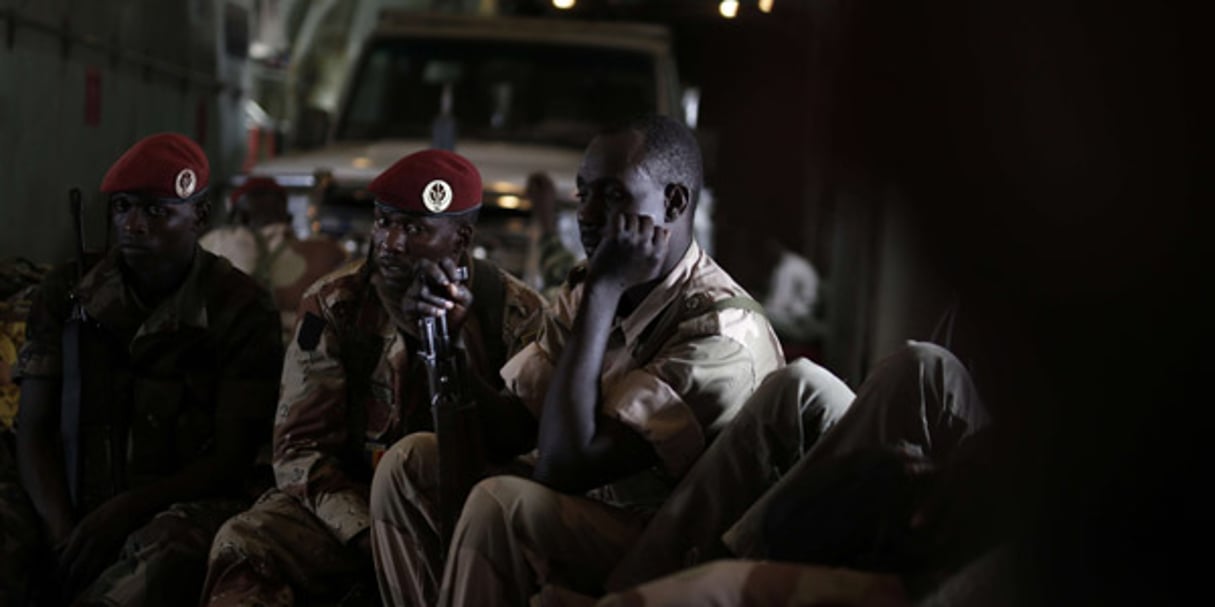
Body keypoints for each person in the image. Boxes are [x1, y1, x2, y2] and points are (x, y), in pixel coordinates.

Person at [406, 114, 787, 606]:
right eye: (583, 192)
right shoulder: (596, 283)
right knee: (413, 461)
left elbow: (564, 467)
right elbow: (512, 427)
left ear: (673, 203)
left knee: (500, 505)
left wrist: (605, 292)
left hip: (678, 552)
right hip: (602, 517)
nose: (585, 214)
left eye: (611, 196)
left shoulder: (722, 332)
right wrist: (448, 339)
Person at [201, 149, 548, 606]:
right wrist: (366, 533)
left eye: (415, 228)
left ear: (461, 237)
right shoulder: (336, 305)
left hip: (466, 514)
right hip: (351, 509)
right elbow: (301, 452)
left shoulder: (514, 311)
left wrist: (454, 347)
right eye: (385, 221)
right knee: (247, 541)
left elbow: (532, 450)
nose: (391, 242)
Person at [1, 132, 283, 606]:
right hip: (63, 501)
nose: (133, 225)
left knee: (163, 559)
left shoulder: (239, 307)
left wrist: (122, 512)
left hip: (173, 505)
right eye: (122, 208)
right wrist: (62, 531)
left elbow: (229, 460)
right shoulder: (68, 292)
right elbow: (33, 429)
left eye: (156, 211)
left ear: (198, 216)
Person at [593, 340, 998, 607]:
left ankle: (741, 579)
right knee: (800, 382)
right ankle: (630, 584)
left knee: (927, 368)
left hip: (1002, 475)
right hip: (970, 446)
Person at [200, 176, 348, 343]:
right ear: (287, 215)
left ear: (240, 216)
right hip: (297, 358)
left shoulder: (215, 242)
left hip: (232, 356)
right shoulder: (327, 252)